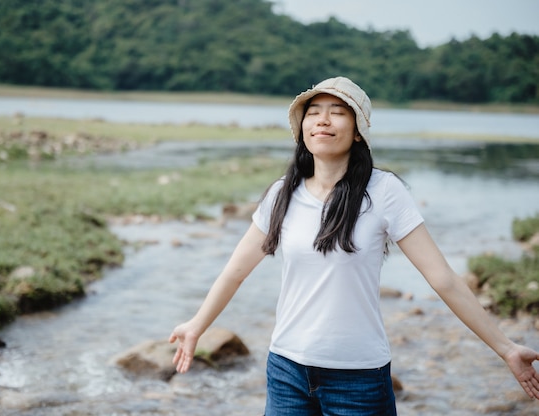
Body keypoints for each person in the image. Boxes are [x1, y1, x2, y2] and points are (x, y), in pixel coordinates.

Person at [169, 76, 539, 415]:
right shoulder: (283, 193)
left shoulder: (384, 192)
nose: (323, 121)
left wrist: (506, 348)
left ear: (358, 131)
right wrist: (197, 324)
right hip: (286, 371)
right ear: (302, 130)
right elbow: (235, 272)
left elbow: (442, 278)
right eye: (313, 113)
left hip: (358, 378)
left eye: (337, 112)